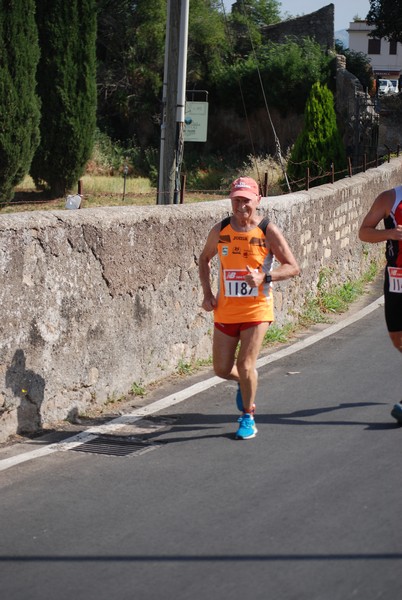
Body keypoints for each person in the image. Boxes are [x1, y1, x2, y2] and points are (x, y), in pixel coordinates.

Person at [198, 176, 300, 439]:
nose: (241, 205)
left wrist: (264, 278)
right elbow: (204, 259)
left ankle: (248, 415)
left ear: (258, 200)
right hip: (226, 309)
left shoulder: (267, 230)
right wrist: (208, 293)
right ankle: (246, 384)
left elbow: (293, 267)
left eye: (246, 200)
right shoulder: (220, 230)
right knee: (221, 369)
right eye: (236, 200)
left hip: (257, 309)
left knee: (245, 364)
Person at [359, 185, 402, 423]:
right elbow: (364, 232)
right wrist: (390, 234)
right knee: (397, 338)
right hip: (396, 278)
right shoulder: (389, 199)